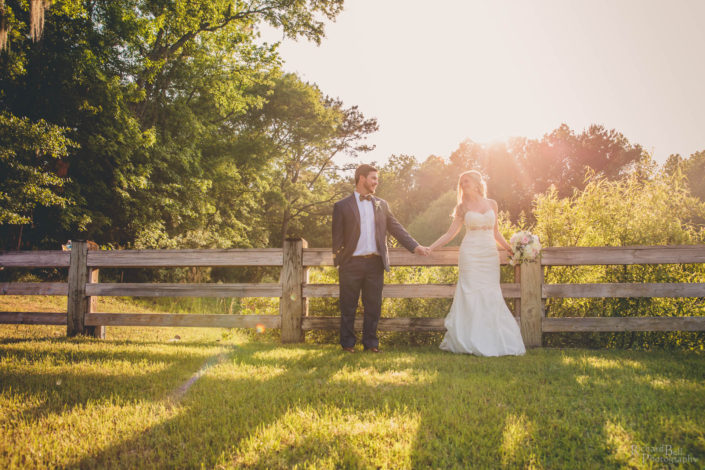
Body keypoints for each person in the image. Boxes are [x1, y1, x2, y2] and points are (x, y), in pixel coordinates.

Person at [332, 164, 430, 353]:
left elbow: (396, 227)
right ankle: (347, 344)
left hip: (375, 264)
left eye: (377, 179)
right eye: (373, 178)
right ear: (362, 178)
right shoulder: (342, 206)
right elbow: (336, 238)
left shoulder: (381, 204)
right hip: (350, 263)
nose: (376, 182)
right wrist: (340, 262)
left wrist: (415, 246)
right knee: (348, 306)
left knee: (373, 306)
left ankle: (371, 344)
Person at [429, 170, 526, 356]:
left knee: (491, 293)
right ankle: (469, 339)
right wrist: (430, 248)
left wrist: (509, 248)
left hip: (489, 254)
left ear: (476, 183)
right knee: (471, 292)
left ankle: (493, 340)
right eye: (461, 182)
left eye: (467, 181)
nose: (464, 185)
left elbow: (496, 232)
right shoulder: (461, 207)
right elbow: (450, 234)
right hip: (470, 253)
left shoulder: (492, 204)